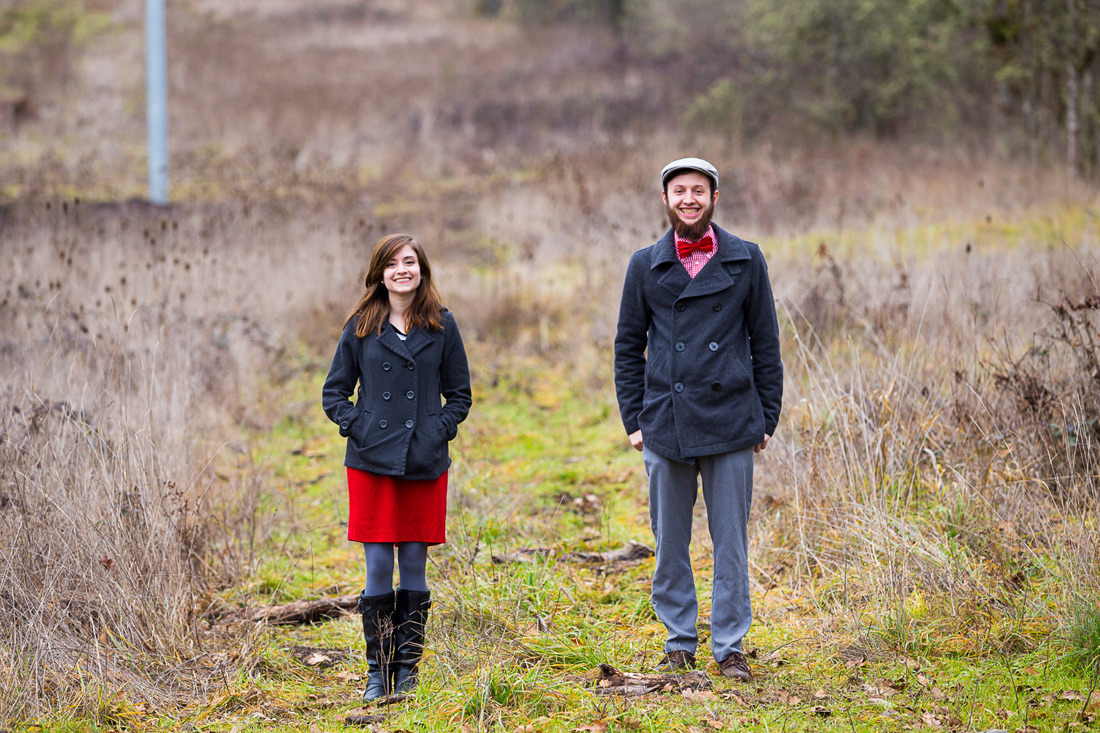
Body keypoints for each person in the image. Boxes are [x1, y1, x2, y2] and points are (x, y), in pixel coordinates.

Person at [613, 158, 782, 682]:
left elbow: (765, 344)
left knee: (731, 541)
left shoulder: (746, 259)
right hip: (666, 419)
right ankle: (680, 641)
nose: (689, 199)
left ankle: (729, 646)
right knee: (670, 541)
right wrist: (634, 419)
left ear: (714, 197)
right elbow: (627, 347)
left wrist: (766, 416)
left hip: (732, 418)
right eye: (679, 191)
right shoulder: (645, 264)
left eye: (698, 191)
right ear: (665, 200)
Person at [323, 233, 472, 702]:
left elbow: (460, 396)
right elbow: (334, 393)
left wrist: (435, 429)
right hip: (371, 460)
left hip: (423, 458)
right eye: (392, 264)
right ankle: (376, 673)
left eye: (409, 262)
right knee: (377, 563)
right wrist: (359, 425)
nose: (401, 270)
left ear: (422, 269)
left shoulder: (442, 325)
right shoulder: (361, 325)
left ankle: (407, 671)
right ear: (379, 273)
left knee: (412, 560)